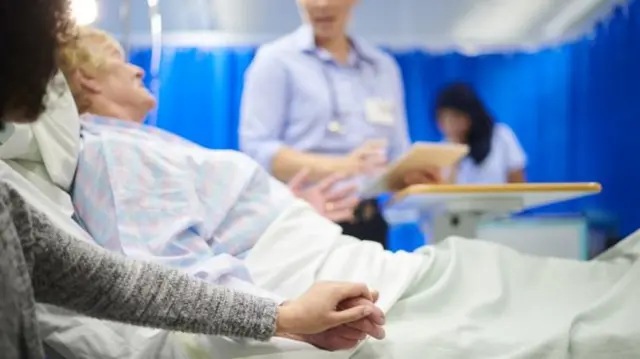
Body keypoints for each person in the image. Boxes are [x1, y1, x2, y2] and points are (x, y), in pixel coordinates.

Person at [55, 25, 640, 358]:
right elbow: (172, 274)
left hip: (325, 222)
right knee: (491, 292)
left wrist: (308, 201)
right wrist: (275, 319)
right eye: (117, 61)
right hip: (301, 253)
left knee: (488, 276)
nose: (135, 69)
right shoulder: (113, 151)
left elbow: (202, 218)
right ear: (83, 79)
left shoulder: (380, 67)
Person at [0, 4, 384, 358]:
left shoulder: (15, 206)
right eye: (49, 66)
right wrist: (282, 314)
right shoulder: (110, 152)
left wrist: (283, 314)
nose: (55, 87)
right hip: (294, 259)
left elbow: (112, 283)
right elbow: (163, 268)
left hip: (308, 249)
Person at [239, 0, 429, 248]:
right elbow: (257, 148)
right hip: (305, 224)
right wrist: (343, 166)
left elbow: (396, 151)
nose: (321, 4)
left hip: (371, 224)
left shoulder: (382, 68)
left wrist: (414, 175)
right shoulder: (275, 61)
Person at [435, 82, 527, 184]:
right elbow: (444, 195)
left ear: (470, 116)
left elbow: (518, 183)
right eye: (443, 119)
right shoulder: (442, 150)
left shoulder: (501, 136)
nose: (449, 125)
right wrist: (453, 159)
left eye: (455, 117)